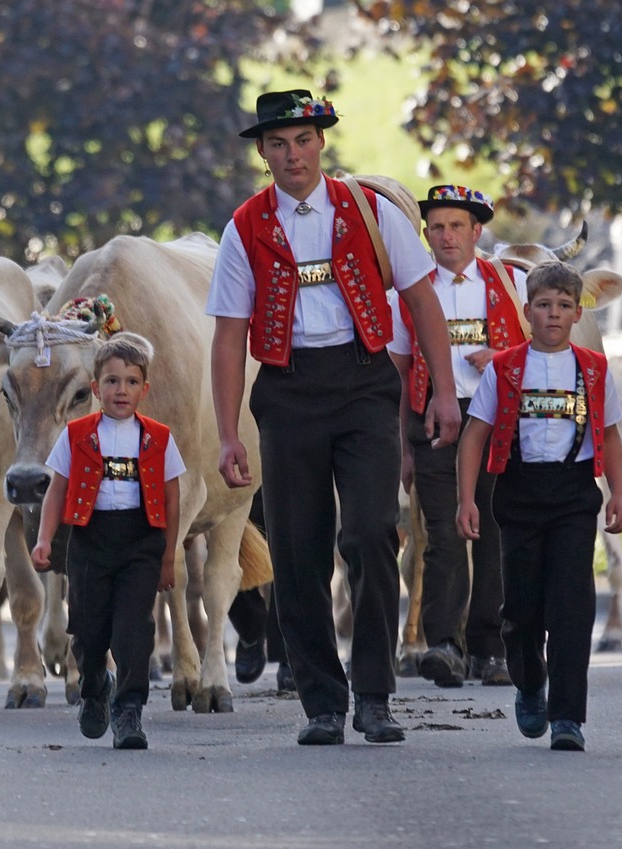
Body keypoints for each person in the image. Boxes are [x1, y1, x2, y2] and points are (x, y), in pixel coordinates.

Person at [207, 88, 460, 746]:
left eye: (304, 140)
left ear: (322, 143)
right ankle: (323, 700)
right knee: (297, 550)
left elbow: (421, 300)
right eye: (279, 143)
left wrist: (442, 391)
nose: (293, 154)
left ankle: (373, 693)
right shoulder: (244, 227)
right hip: (287, 392)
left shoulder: (370, 210)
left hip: (364, 384)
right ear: (263, 153)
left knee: (373, 532)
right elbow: (229, 335)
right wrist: (229, 430)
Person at [456, 259, 622, 751]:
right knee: (522, 610)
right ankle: (530, 684)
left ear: (578, 314)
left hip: (574, 495)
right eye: (545, 306)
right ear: (527, 310)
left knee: (572, 608)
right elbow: (475, 437)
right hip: (520, 493)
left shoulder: (595, 370)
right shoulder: (505, 367)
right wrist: (466, 499)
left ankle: (568, 717)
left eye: (565, 306)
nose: (554, 314)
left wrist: (618, 492)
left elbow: (611, 434)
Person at [388, 185, 528, 688]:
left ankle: (490, 649)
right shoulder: (408, 290)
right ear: (426, 234)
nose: (447, 236)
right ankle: (444, 644)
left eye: (457, 226)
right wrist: (403, 445)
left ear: (478, 232)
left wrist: (503, 359)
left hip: (498, 423)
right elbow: (400, 373)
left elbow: (545, 352)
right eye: (438, 227)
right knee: (443, 535)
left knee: (494, 533)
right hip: (433, 423)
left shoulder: (512, 284)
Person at [31, 334, 184, 750]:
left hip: (141, 542)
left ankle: (129, 710)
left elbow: (172, 498)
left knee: (134, 631)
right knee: (88, 631)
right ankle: (95, 687)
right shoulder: (76, 434)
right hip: (90, 541)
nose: (122, 390)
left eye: (131, 382)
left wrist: (169, 556)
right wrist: (45, 540)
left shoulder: (159, 438)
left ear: (144, 389)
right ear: (96, 388)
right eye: (112, 381)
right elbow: (57, 490)